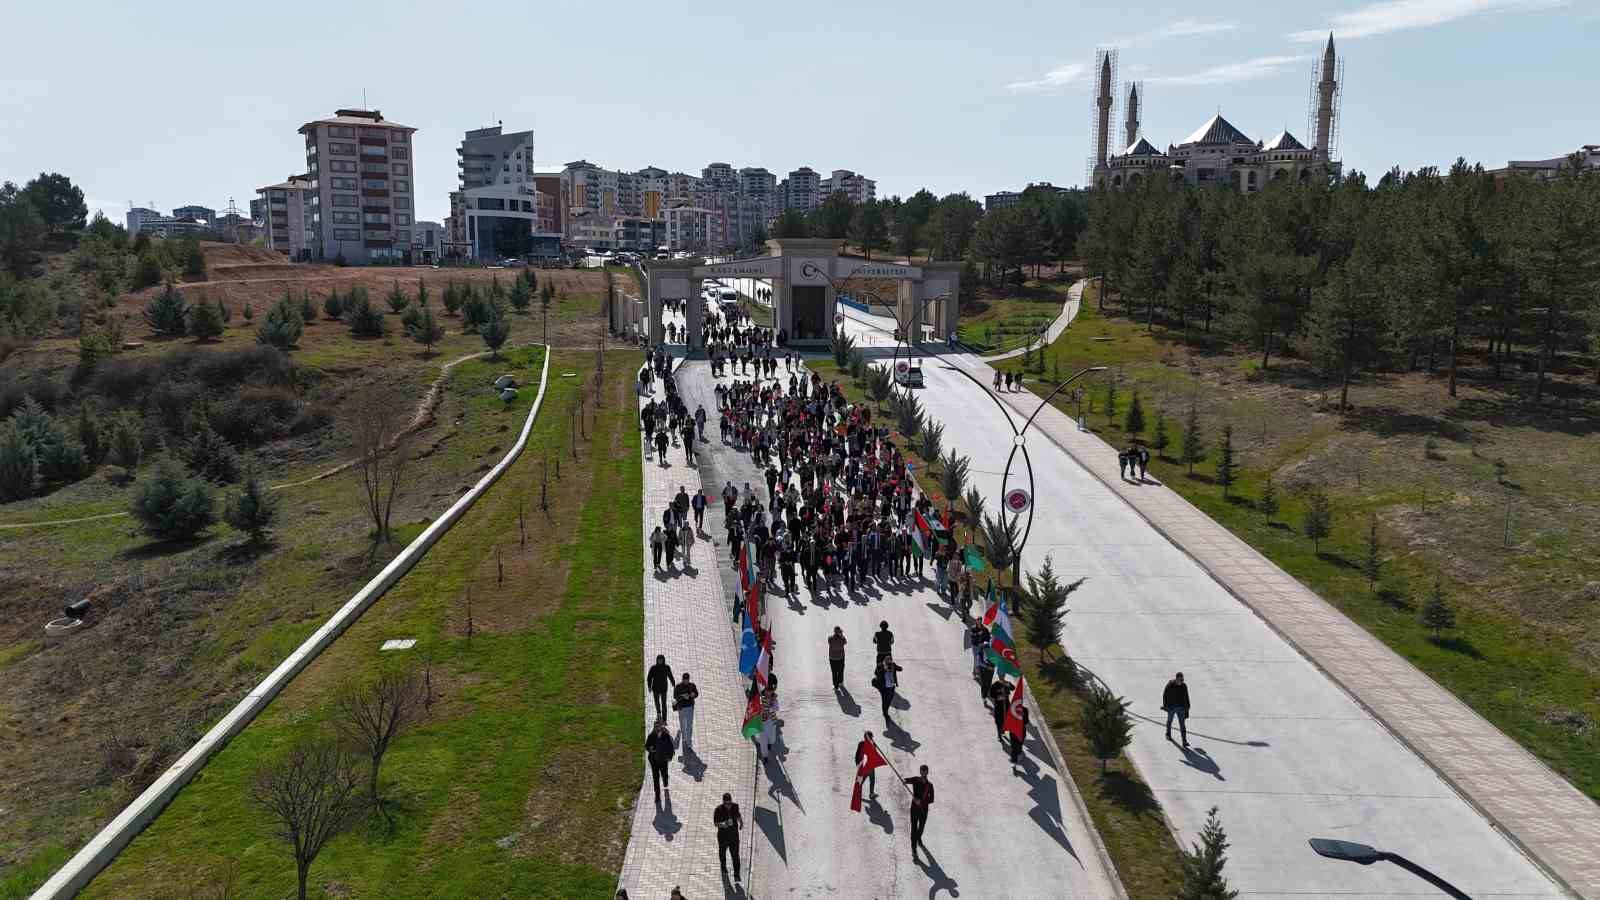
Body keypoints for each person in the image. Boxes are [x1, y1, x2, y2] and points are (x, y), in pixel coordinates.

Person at [714, 792, 744, 883]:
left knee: (735, 855)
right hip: (723, 837)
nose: (728, 805)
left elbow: (738, 815)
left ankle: (737, 874)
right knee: (722, 853)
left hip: (734, 836)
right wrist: (724, 824)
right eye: (726, 803)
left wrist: (741, 823)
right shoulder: (718, 810)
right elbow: (715, 823)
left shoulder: (735, 806)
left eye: (729, 802)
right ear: (723, 802)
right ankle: (723, 867)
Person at [907, 764, 935, 858]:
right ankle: (914, 849)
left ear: (927, 772)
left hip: (923, 810)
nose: (923, 772)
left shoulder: (930, 785)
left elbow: (931, 799)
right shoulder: (915, 779)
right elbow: (906, 780)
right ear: (920, 771)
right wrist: (904, 781)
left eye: (924, 771)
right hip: (914, 809)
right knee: (913, 828)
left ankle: (919, 838)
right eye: (922, 770)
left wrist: (921, 801)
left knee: (921, 827)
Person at [645, 718, 674, 805]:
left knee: (664, 774)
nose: (657, 728)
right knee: (655, 778)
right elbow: (647, 746)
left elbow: (670, 747)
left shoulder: (666, 735)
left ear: (661, 726)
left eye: (659, 726)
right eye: (655, 726)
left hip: (663, 760)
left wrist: (670, 756)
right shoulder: (651, 736)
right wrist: (650, 749)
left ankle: (665, 782)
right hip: (654, 761)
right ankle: (657, 795)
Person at [1163, 672, 1190, 747]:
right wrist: (1166, 706)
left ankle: (1184, 741)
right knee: (1169, 720)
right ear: (1176, 678)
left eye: (1182, 680)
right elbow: (1165, 695)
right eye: (1179, 680)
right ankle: (1168, 734)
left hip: (1181, 708)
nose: (1180, 681)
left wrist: (1187, 708)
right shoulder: (1170, 685)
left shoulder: (1184, 686)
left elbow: (1186, 697)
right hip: (1171, 707)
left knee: (1182, 724)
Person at [872, 656, 903, 720]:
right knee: (884, 700)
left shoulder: (892, 665)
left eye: (890, 661)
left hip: (891, 687)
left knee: (889, 701)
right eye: (887, 661)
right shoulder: (880, 665)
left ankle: (886, 709)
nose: (889, 663)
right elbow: (876, 673)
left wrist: (894, 667)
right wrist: (884, 669)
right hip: (883, 688)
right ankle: (885, 713)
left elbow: (900, 669)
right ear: (884, 661)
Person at [647, 654, 674, 721]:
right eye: (658, 660)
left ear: (663, 660)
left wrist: (673, 682)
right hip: (655, 688)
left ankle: (664, 719)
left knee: (664, 703)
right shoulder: (653, 668)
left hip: (664, 688)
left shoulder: (666, 667)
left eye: (661, 660)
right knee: (657, 702)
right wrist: (649, 686)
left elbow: (670, 675)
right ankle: (659, 713)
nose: (660, 661)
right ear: (657, 660)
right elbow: (649, 678)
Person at [855, 730, 878, 798]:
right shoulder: (872, 745)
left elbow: (857, 754)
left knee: (861, 779)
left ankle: (857, 793)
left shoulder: (861, 743)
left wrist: (857, 763)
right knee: (871, 779)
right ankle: (871, 794)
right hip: (869, 766)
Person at [989, 675, 1011, 740]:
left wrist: (1008, 684)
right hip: (998, 706)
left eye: (1003, 676)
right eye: (1001, 676)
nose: (1002, 677)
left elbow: (1013, 688)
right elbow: (991, 694)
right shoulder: (995, 685)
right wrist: (998, 696)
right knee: (999, 721)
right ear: (999, 676)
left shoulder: (1007, 683)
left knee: (1005, 720)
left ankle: (1003, 731)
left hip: (1006, 705)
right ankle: (999, 735)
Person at [1009, 700, 1030, 768]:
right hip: (1013, 730)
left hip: (1021, 730)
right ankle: (1013, 761)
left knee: (1019, 744)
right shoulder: (1011, 709)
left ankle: (1019, 753)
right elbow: (1008, 720)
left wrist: (1022, 717)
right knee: (1013, 746)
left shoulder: (1025, 710)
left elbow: (1026, 721)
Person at [827, 626, 847, 690]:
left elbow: (829, 641)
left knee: (834, 671)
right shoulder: (842, 638)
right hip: (840, 657)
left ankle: (835, 686)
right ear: (839, 632)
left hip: (832, 658)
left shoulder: (830, 638)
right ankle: (840, 682)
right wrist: (841, 635)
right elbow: (845, 642)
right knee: (841, 670)